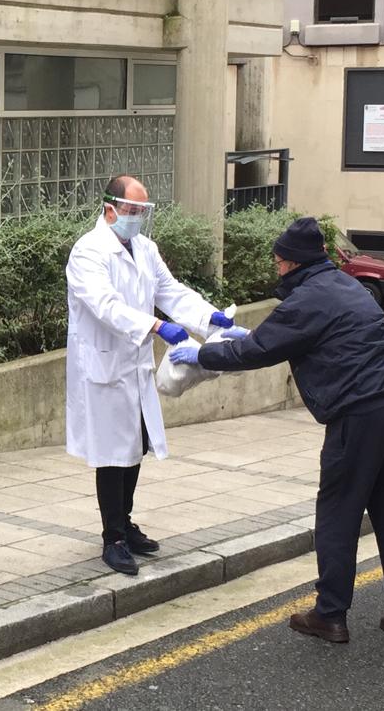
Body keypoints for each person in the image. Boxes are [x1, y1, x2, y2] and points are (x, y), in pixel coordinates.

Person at [167, 216, 384, 644]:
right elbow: (280, 336)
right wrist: (241, 335)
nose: (275, 270)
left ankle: (330, 615)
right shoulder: (344, 285)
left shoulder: (307, 299)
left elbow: (258, 350)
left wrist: (201, 356)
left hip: (360, 416)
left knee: (339, 514)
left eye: (277, 262)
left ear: (290, 263)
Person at [66, 174, 238, 576]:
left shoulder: (145, 248)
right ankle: (113, 538)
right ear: (110, 208)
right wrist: (157, 327)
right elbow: (105, 306)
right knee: (113, 455)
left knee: (137, 445)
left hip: (136, 366)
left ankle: (126, 522)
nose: (138, 218)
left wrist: (207, 317)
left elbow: (171, 291)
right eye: (132, 210)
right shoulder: (88, 252)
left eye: (143, 211)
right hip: (106, 367)